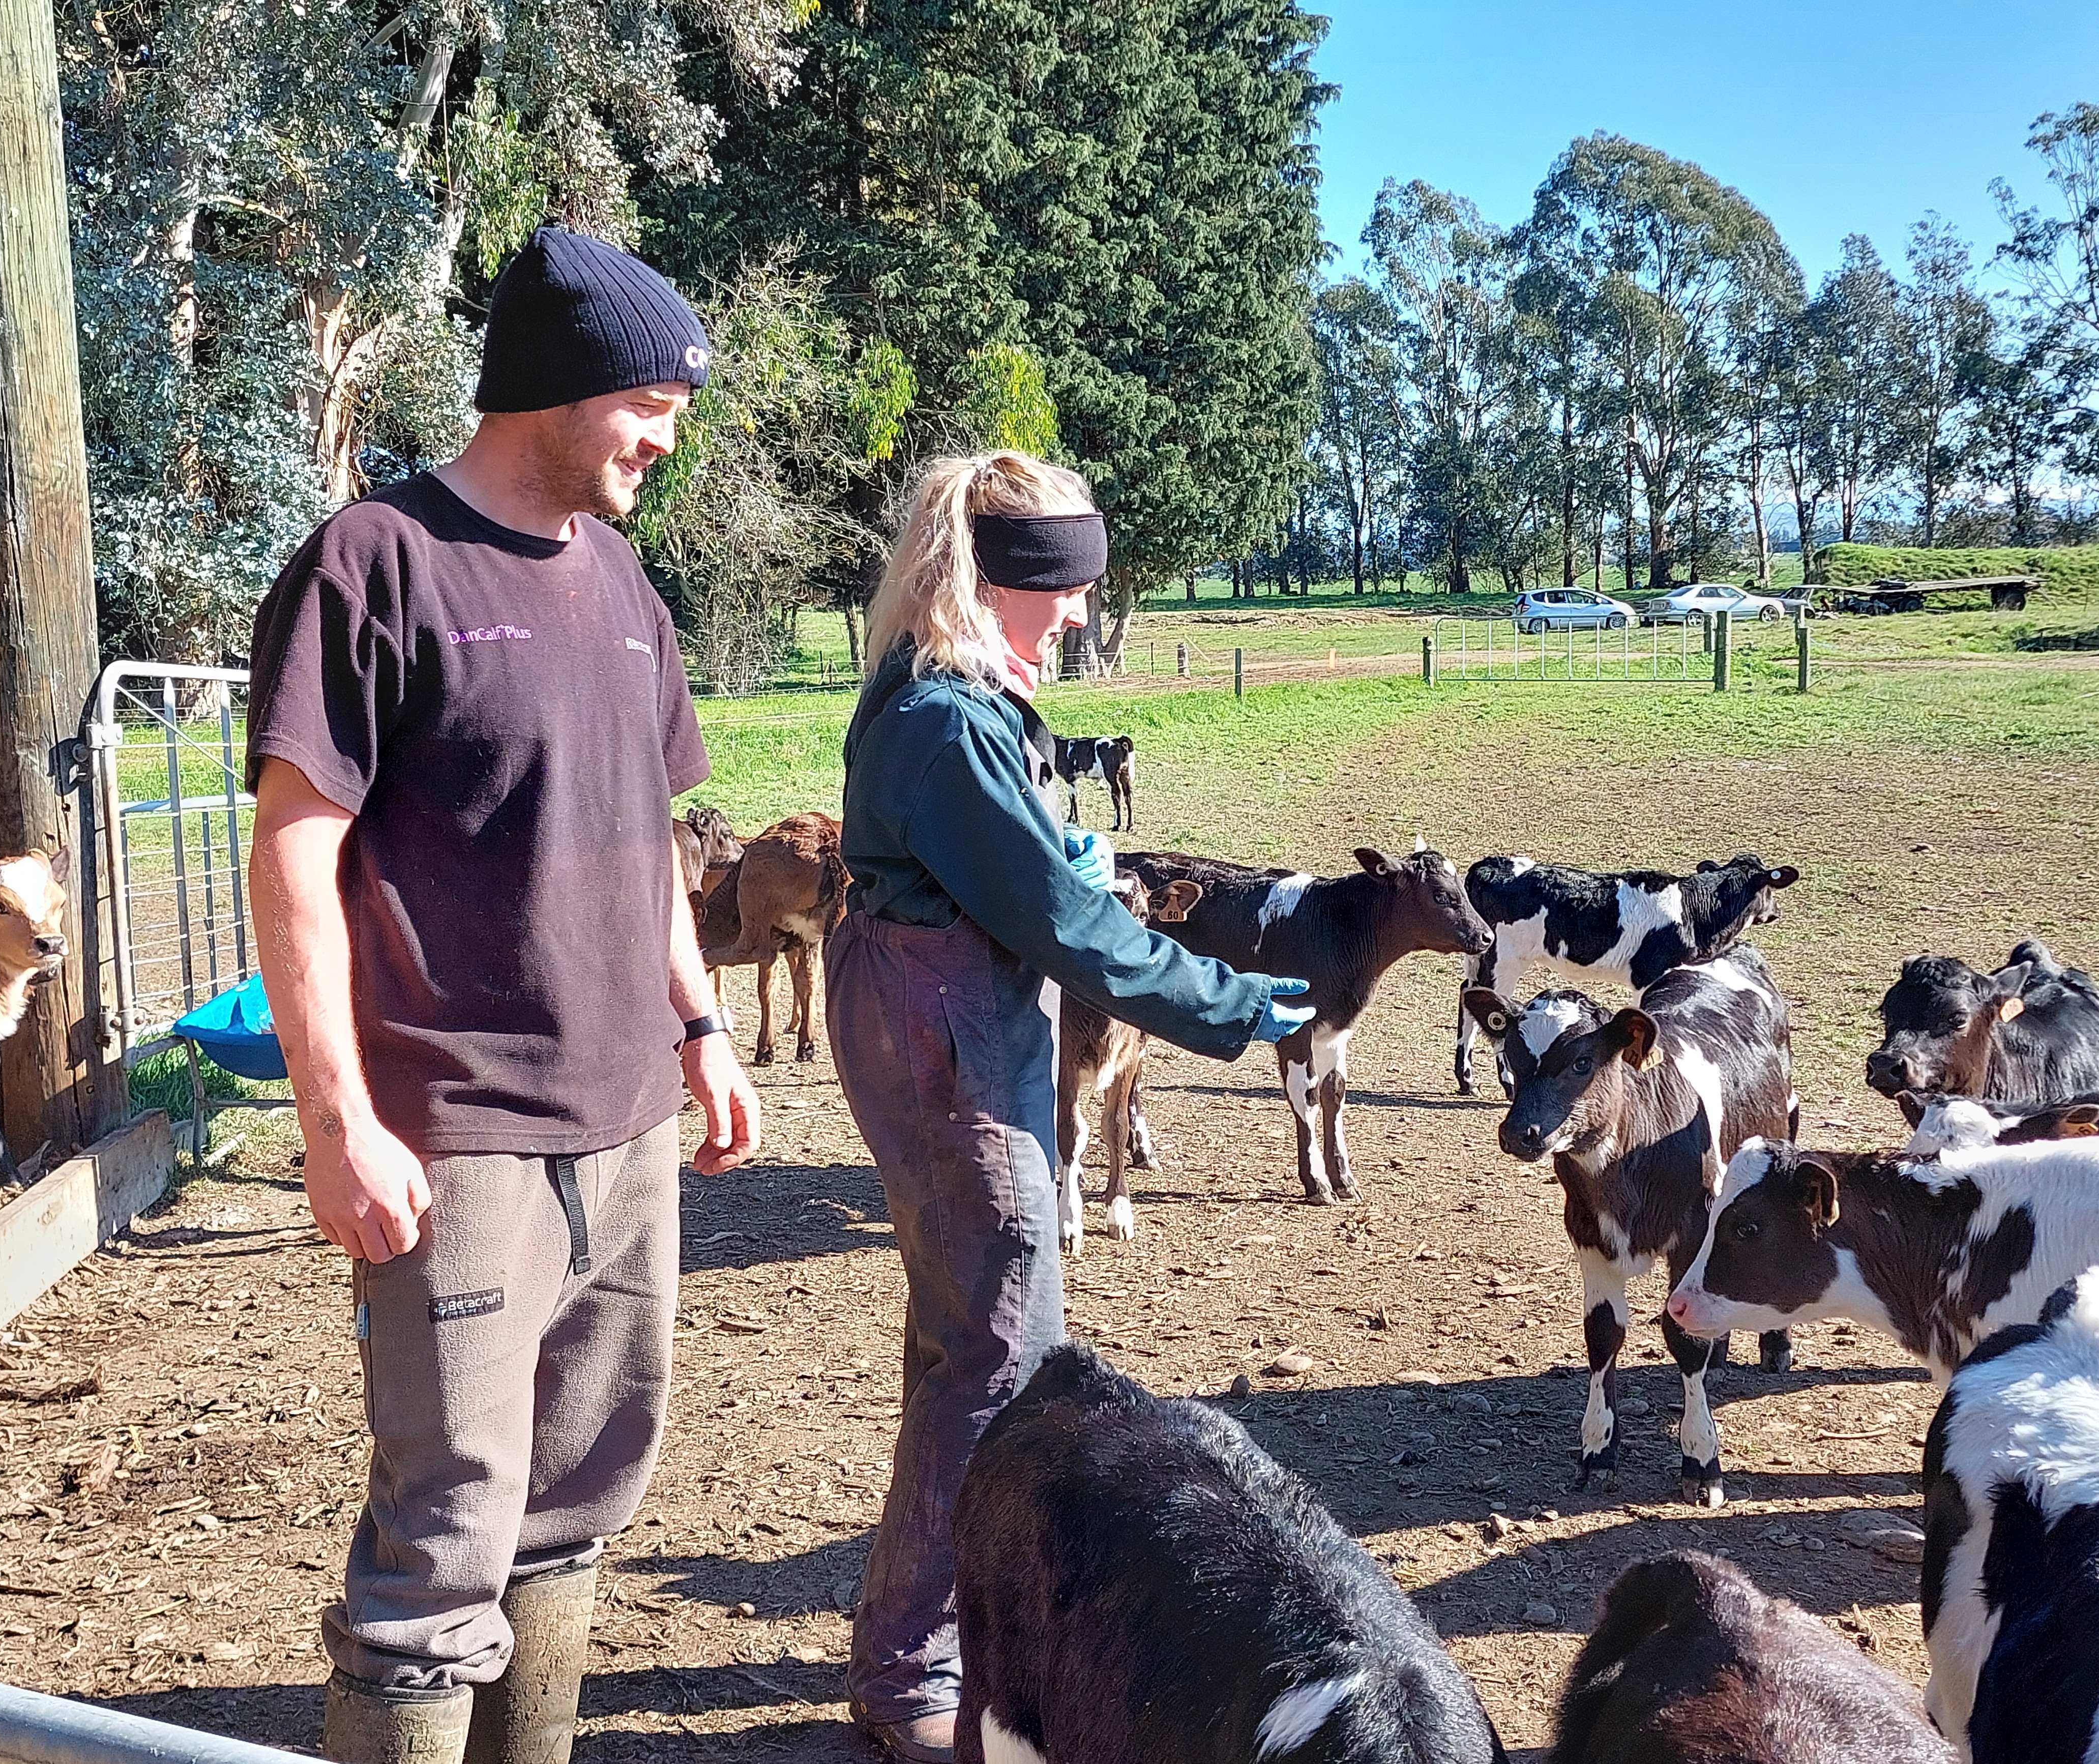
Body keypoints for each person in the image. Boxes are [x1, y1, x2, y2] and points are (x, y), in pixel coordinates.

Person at [245, 226, 761, 1764]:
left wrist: (701, 1024)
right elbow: (293, 851)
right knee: (444, 1535)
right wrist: (338, 1118)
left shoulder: (621, 583)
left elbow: (655, 840)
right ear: (559, 384)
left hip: (631, 1121)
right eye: (651, 403)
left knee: (581, 1496)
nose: (669, 436)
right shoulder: (375, 563)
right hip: (456, 1133)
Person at [825, 450, 1313, 1762]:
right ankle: (915, 1677)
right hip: (952, 1040)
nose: (1084, 614)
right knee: (996, 1356)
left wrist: (1056, 843)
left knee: (967, 1343)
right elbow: (1058, 919)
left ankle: (914, 1645)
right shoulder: (944, 723)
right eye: (1070, 590)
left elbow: (1025, 873)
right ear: (999, 583)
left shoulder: (953, 701)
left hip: (940, 1015)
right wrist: (1222, 1001)